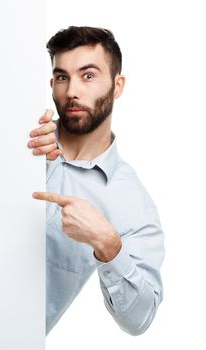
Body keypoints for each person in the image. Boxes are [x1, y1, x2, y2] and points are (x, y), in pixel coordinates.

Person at [27, 26, 164, 336]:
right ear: (52, 84)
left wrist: (109, 245)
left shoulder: (132, 204)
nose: (72, 90)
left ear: (117, 86)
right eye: (62, 77)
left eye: (88, 76)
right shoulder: (21, 139)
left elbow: (140, 320)